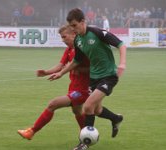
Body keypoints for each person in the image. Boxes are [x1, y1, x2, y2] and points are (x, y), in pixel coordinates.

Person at [49, 8, 126, 150]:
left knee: (88, 106)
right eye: (71, 26)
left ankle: (85, 143)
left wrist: (122, 64)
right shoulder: (78, 40)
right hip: (94, 78)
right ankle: (116, 118)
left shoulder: (97, 33)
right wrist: (61, 73)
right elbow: (76, 61)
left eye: (74, 25)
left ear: (83, 22)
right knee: (96, 110)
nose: (73, 29)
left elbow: (121, 44)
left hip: (108, 76)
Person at [17, 25, 90, 141]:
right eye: (61, 38)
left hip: (83, 90)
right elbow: (60, 66)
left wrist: (77, 69)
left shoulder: (82, 49)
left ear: (74, 35)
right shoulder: (69, 50)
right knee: (77, 111)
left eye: (64, 37)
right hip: (74, 87)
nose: (63, 40)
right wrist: (46, 72)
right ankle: (87, 135)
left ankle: (31, 131)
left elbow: (94, 68)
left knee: (53, 104)